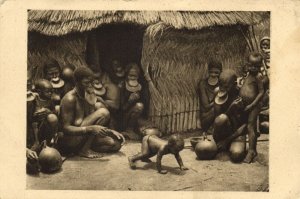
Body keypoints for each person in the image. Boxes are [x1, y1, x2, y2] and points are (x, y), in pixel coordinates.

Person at [58, 67, 125, 158]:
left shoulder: (87, 95)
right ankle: (84, 150)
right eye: (86, 83)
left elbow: (94, 123)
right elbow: (66, 128)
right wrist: (90, 129)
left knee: (116, 144)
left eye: (91, 82)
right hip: (71, 140)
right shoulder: (70, 99)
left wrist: (110, 131)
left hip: (85, 136)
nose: (89, 85)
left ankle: (85, 147)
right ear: (77, 82)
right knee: (103, 112)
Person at [212, 69, 248, 162]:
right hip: (222, 132)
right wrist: (230, 109)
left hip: (237, 134)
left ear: (235, 84)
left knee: (236, 155)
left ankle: (226, 146)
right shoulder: (217, 92)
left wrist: (227, 141)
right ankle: (221, 145)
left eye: (226, 86)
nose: (222, 89)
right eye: (220, 85)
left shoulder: (243, 95)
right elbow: (217, 120)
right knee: (222, 118)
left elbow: (246, 125)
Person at [239, 52, 265, 163]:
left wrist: (252, 105)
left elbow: (261, 92)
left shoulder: (258, 76)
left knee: (251, 127)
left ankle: (251, 151)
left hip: (254, 106)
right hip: (246, 105)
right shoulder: (248, 74)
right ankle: (251, 149)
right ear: (248, 64)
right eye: (251, 65)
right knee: (248, 127)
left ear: (260, 66)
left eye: (256, 66)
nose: (253, 68)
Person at [27, 79, 59, 152]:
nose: (51, 93)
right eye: (48, 91)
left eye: (52, 91)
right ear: (39, 92)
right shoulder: (33, 100)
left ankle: (47, 142)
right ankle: (36, 142)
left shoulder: (50, 100)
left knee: (53, 117)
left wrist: (48, 112)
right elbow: (30, 118)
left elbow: (54, 112)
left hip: (45, 126)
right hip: (34, 127)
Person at [119, 63, 144, 140]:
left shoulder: (141, 87)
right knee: (139, 106)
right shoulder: (121, 86)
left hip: (135, 118)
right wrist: (130, 101)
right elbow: (119, 109)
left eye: (135, 76)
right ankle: (128, 130)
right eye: (130, 75)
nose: (133, 78)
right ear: (126, 75)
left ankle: (131, 130)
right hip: (122, 118)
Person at [199, 60, 222, 133]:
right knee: (217, 107)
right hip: (206, 118)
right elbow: (206, 106)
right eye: (211, 72)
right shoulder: (203, 84)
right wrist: (219, 100)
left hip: (219, 118)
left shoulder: (221, 83)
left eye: (216, 73)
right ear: (208, 71)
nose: (213, 75)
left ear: (220, 72)